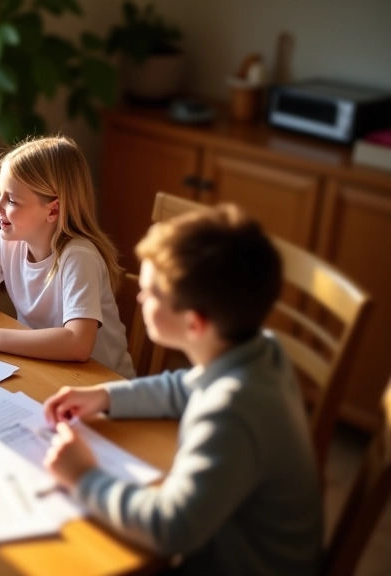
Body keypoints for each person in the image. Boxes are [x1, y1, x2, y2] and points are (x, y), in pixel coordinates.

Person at [42, 205, 323, 575]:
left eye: (151, 292)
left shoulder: (232, 409)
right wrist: (106, 397)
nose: (140, 299)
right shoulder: (260, 350)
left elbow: (171, 529)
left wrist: (83, 475)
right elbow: (184, 387)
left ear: (194, 323)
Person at [0, 135, 135, 379]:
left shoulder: (79, 257)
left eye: (10, 199)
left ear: (53, 209)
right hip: (49, 370)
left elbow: (78, 343)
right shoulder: (7, 243)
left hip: (105, 388)